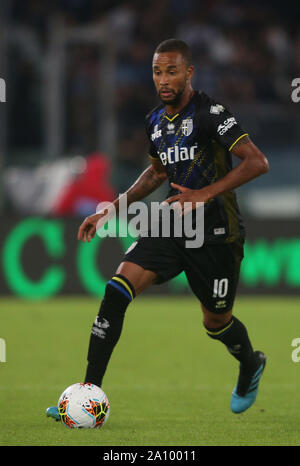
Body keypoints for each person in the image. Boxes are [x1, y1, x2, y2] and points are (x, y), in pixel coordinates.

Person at [47, 38, 269, 420]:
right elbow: (157, 174)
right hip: (169, 223)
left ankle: (250, 363)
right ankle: (86, 394)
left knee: (216, 322)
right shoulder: (155, 121)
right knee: (116, 291)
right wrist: (108, 211)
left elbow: (257, 162)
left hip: (216, 234)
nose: (163, 80)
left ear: (189, 73)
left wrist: (205, 194)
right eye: (156, 71)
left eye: (171, 71)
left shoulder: (211, 113)